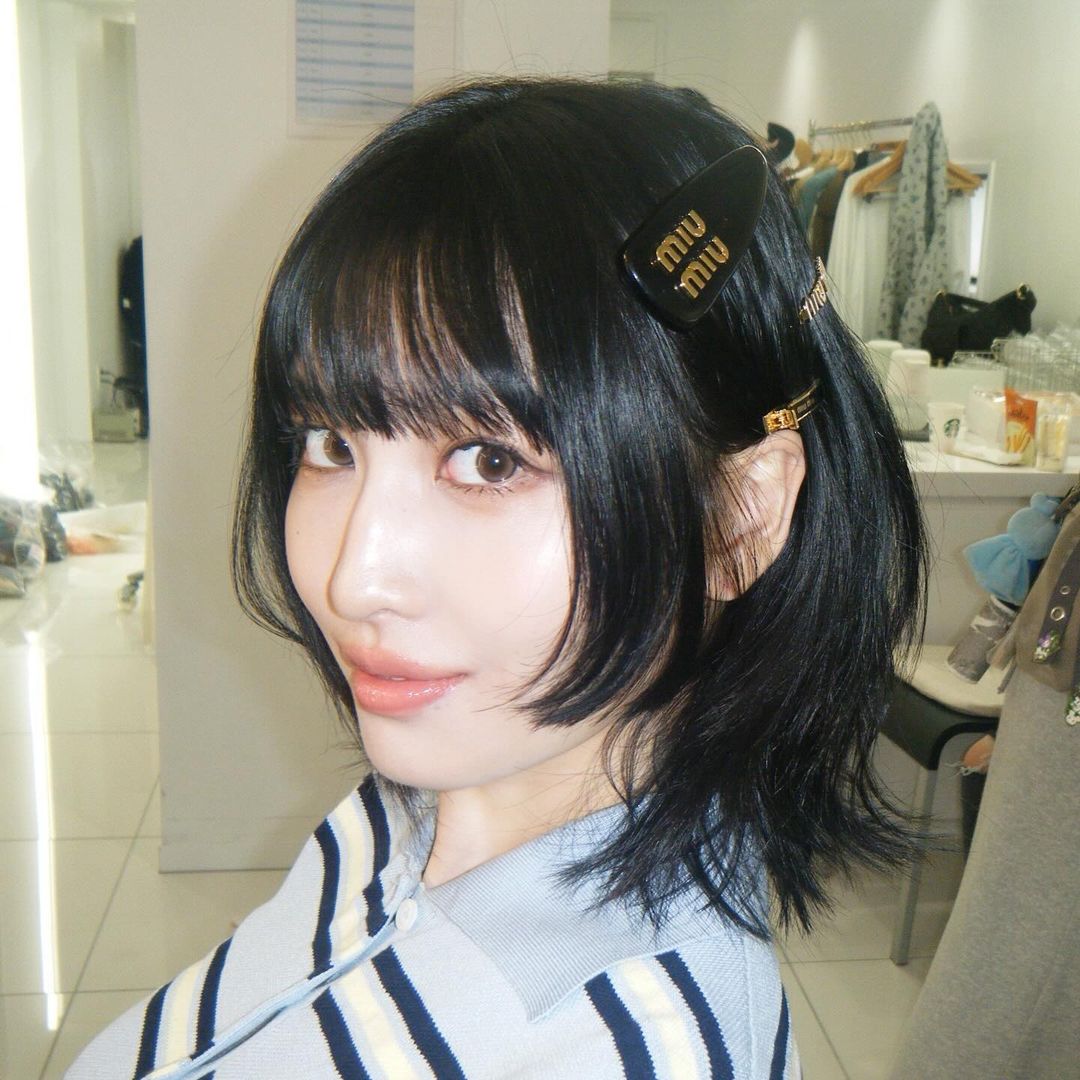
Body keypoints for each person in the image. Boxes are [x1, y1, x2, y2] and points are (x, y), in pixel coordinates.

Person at [68, 77, 924, 1079]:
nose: (353, 579)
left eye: (489, 460)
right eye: (328, 443)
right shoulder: (414, 811)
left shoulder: (629, 1049)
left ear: (738, 519)